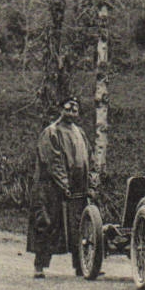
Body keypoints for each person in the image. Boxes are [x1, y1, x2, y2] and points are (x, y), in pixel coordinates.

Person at [26, 96, 92, 278]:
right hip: (50, 188)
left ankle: (81, 266)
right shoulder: (51, 132)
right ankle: (39, 266)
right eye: (68, 109)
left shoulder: (79, 132)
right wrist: (64, 184)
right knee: (47, 223)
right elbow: (53, 161)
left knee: (78, 225)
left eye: (75, 110)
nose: (71, 113)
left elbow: (88, 157)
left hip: (76, 188)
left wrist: (90, 183)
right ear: (61, 110)